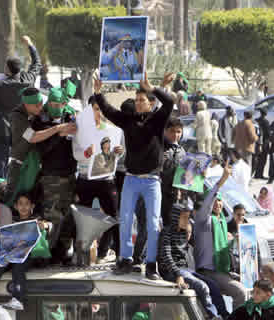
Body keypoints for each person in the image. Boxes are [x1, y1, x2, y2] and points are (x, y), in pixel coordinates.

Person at [93, 72, 175, 279]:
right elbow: (108, 110)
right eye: (137, 99)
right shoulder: (127, 120)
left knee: (153, 223)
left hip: (151, 181)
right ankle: (126, 260)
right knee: (126, 219)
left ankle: (151, 264)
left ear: (150, 103)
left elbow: (170, 102)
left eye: (142, 100)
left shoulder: (157, 120)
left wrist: (153, 87)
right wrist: (98, 91)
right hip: (130, 179)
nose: (138, 103)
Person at [0, 35, 41, 178]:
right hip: (22, 130)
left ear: (7, 70)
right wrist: (30, 44)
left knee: (2, 164)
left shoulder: (0, 85)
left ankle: (2, 189)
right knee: (22, 162)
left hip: (3, 131)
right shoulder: (28, 80)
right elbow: (37, 64)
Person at [0, 192, 47, 312]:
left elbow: (49, 225)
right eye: (20, 204)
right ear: (15, 206)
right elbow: (1, 236)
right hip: (13, 253)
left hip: (31, 255)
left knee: (18, 266)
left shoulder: (36, 220)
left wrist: (45, 226)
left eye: (27, 204)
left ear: (32, 206)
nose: (23, 207)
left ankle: (17, 299)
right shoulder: (12, 221)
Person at [73, 96, 123, 261]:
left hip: (106, 180)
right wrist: (85, 153)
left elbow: (116, 156)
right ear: (88, 110)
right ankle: (81, 256)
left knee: (114, 217)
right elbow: (76, 154)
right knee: (82, 220)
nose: (98, 112)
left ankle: (120, 255)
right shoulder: (79, 129)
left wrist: (118, 152)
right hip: (85, 180)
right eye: (95, 108)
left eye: (101, 108)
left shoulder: (113, 130)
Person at [32, 87, 78, 264]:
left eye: (58, 104)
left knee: (68, 217)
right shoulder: (40, 121)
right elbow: (42, 149)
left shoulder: (70, 117)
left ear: (64, 104)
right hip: (51, 177)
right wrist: (59, 134)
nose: (54, 107)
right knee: (52, 217)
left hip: (70, 175)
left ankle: (63, 252)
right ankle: (46, 253)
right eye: (51, 103)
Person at [195, 162, 248, 309]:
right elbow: (209, 198)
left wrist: (234, 241)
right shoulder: (203, 220)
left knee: (252, 285)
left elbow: (222, 247)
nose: (218, 203)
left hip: (222, 270)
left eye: (220, 200)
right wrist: (223, 179)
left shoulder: (222, 221)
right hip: (209, 272)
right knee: (241, 292)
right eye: (215, 200)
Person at [159, 200, 222, 318]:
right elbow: (166, 256)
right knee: (203, 288)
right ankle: (213, 319)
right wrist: (178, 275)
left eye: (188, 218)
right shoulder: (166, 232)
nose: (187, 221)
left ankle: (224, 316)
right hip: (173, 271)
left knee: (213, 286)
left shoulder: (183, 233)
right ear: (176, 217)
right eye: (184, 217)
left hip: (185, 270)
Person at [160, 117, 186, 225]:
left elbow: (185, 176)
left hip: (175, 195)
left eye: (178, 132)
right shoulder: (160, 147)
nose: (175, 135)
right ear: (165, 131)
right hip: (161, 192)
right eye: (172, 131)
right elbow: (164, 167)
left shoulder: (181, 150)